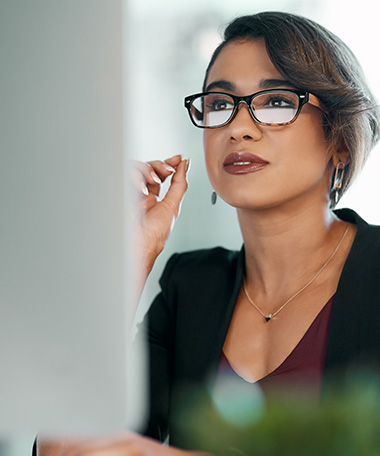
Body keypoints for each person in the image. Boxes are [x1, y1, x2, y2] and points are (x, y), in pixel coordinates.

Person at [36, 10, 380, 456]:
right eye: (219, 104)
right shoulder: (190, 287)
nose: (237, 127)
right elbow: (62, 446)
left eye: (275, 101)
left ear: (340, 139)